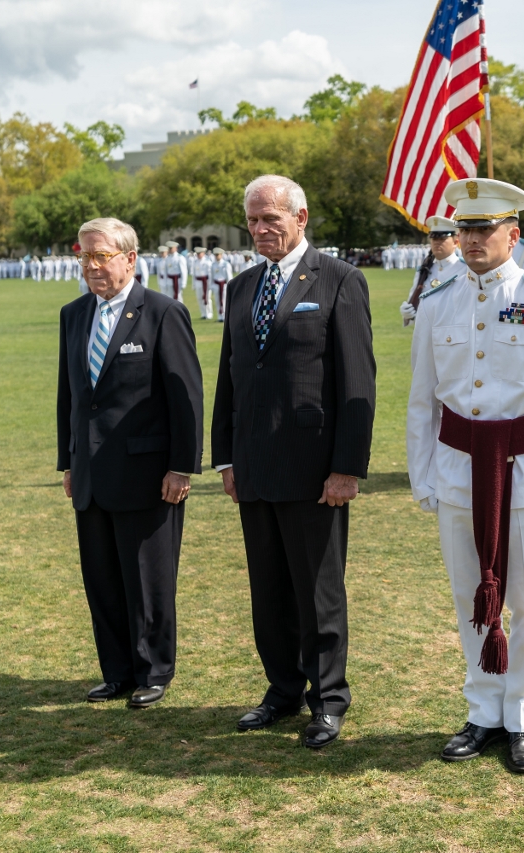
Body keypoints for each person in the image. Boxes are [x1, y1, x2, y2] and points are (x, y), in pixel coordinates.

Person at [406, 178, 524, 774]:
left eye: (485, 229)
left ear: (514, 234)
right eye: (465, 228)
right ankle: (483, 710)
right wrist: (423, 474)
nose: (473, 239)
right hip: (460, 467)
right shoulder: (437, 300)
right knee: (469, 596)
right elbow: (422, 401)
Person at [211, 174, 376, 749]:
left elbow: (358, 379)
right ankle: (281, 690)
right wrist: (225, 456)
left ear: (300, 219)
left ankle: (328, 698)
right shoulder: (241, 287)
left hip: (315, 470)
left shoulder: (339, 281)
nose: (259, 230)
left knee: (318, 590)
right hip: (254, 465)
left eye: (270, 220)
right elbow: (231, 378)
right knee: (269, 589)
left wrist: (347, 467)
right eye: (252, 220)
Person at [56, 218, 204, 709]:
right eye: (85, 257)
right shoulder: (74, 314)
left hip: (148, 475)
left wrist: (182, 466)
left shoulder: (163, 313)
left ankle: (154, 670)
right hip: (92, 475)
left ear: (130, 259)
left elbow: (186, 398)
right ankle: (116, 670)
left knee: (148, 579)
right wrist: (68, 461)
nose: (93, 266)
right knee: (101, 579)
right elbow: (71, 397)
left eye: (102, 256)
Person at [399, 215, 466, 326]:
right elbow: (415, 299)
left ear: (455, 242)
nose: (437, 242)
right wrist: (408, 313)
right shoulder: (424, 270)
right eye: (434, 238)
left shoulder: (465, 269)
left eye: (442, 238)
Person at [209, 247, 234, 322]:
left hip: (224, 285)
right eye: (215, 255)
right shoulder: (213, 264)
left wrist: (229, 287)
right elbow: (212, 276)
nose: (217, 256)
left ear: (221, 255)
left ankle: (225, 316)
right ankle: (219, 316)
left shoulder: (225, 264)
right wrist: (212, 286)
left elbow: (229, 276)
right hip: (216, 285)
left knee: (224, 301)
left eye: (218, 255)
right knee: (217, 301)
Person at [191, 246, 212, 319]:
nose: (198, 255)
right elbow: (194, 274)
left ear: (203, 253)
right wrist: (193, 284)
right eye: (197, 253)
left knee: (207, 298)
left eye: (200, 253)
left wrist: (210, 284)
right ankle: (203, 313)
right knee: (199, 298)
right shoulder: (195, 262)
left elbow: (210, 274)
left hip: (205, 282)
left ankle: (209, 313)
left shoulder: (207, 262)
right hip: (198, 282)